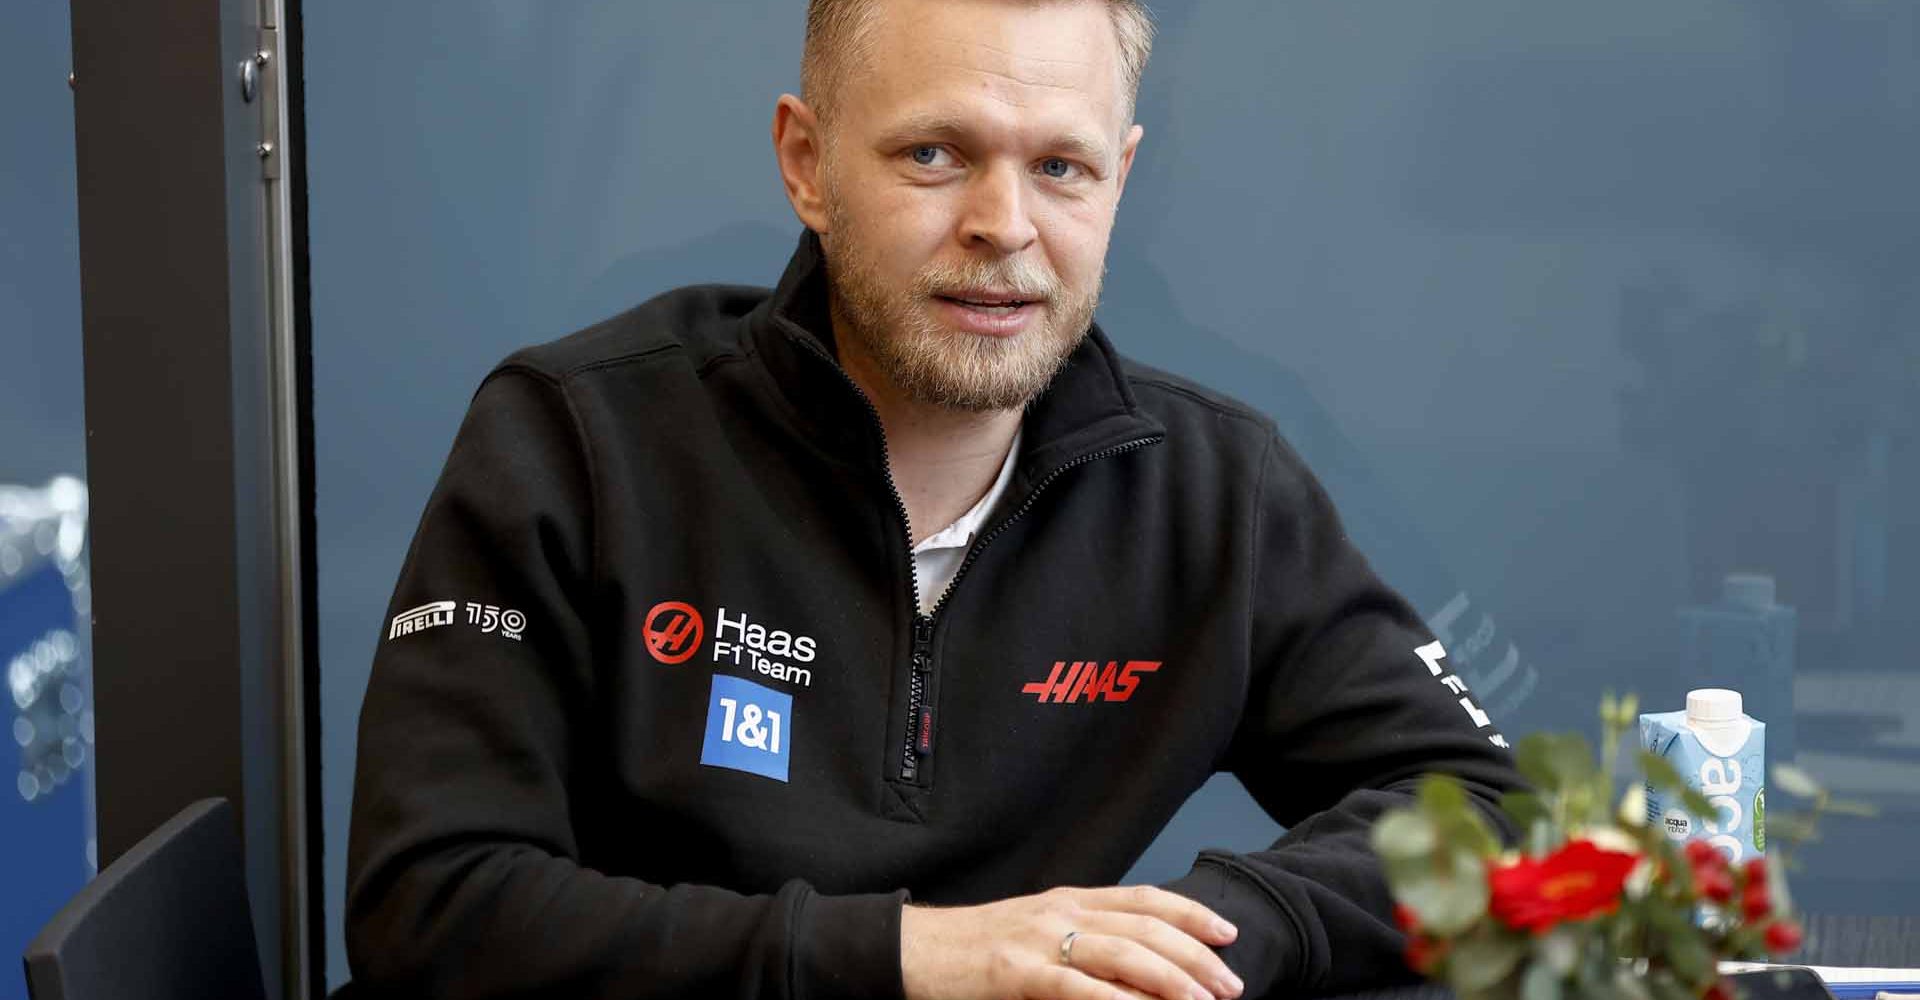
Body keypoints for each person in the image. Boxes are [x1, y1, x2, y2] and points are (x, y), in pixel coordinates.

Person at [344, 1, 1525, 997]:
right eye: (935, 155)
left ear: (1122, 176)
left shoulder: (1216, 489)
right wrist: (915, 955)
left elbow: (1489, 812)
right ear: (805, 161)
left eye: (1061, 166)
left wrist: (1196, 940)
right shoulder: (577, 436)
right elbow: (430, 903)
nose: (1003, 226)